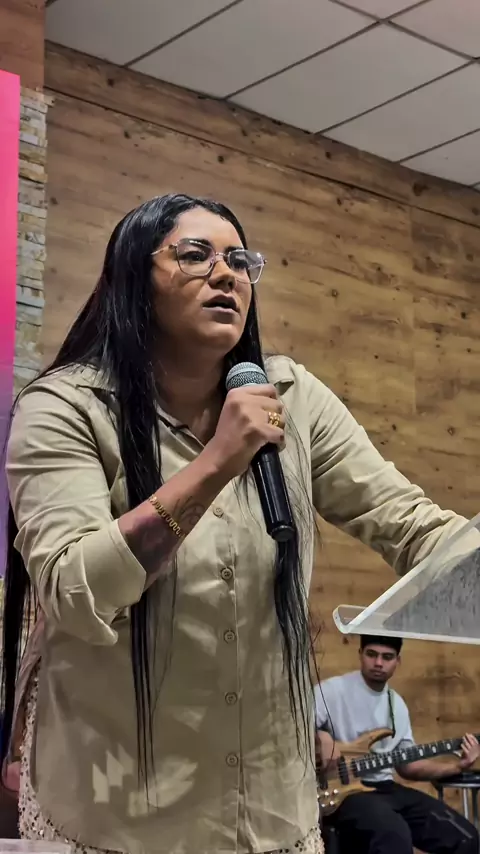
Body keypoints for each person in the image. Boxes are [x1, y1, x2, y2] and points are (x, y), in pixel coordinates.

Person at [0, 193, 475, 854]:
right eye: (196, 255)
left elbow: (412, 524)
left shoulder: (292, 397)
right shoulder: (67, 406)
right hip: (118, 812)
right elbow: (77, 591)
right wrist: (218, 461)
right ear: (135, 276)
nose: (227, 274)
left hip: (270, 810)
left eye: (241, 261)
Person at [314, 635, 479, 854]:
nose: (378, 663)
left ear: (397, 661)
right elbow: (289, 727)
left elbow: (408, 767)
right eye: (371, 654)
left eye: (387, 657)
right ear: (360, 654)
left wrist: (457, 766)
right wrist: (321, 737)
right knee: (394, 836)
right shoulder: (331, 691)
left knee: (466, 837)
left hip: (386, 788)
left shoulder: (396, 704)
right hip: (344, 793)